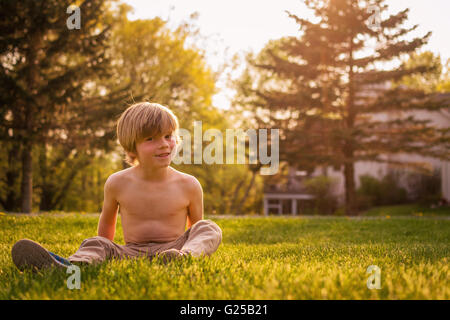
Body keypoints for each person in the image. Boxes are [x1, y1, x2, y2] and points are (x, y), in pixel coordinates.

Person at [11, 102, 222, 271]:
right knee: (95, 243)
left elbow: (195, 231)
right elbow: (106, 227)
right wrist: (102, 251)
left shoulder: (189, 185)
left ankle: (183, 259)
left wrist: (187, 249)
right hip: (130, 253)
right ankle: (74, 267)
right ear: (132, 147)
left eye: (168, 136)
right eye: (151, 138)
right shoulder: (117, 183)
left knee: (208, 228)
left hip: (173, 249)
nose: (164, 144)